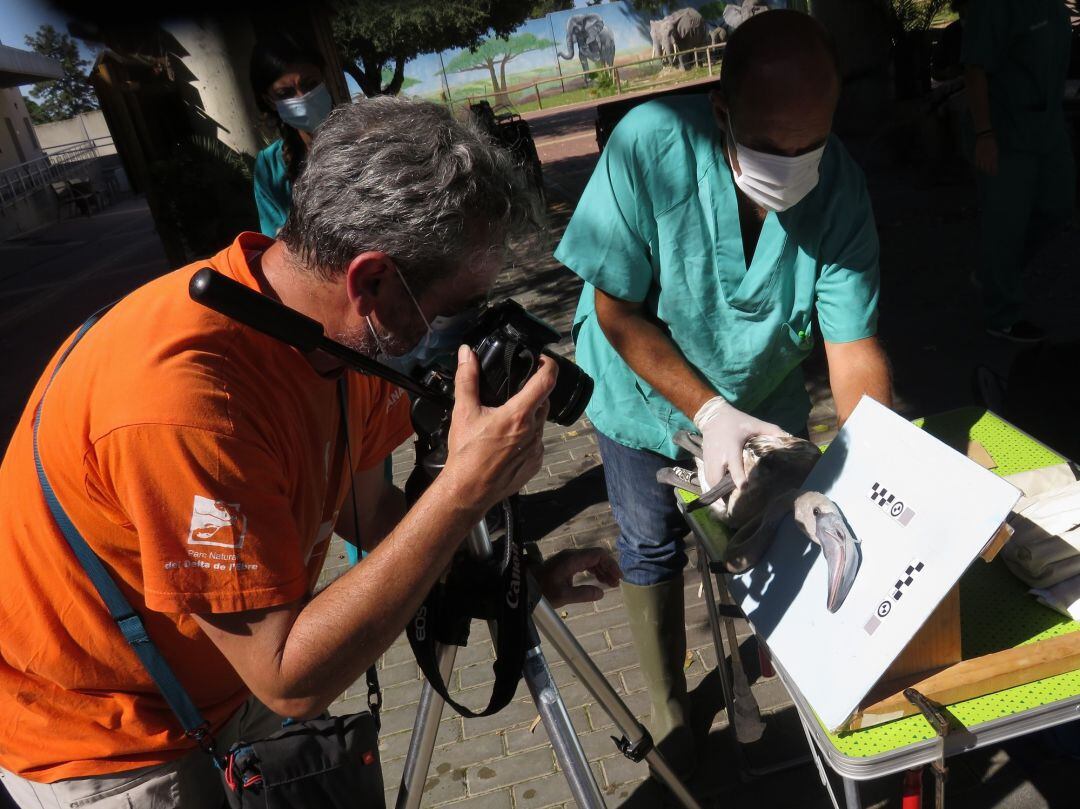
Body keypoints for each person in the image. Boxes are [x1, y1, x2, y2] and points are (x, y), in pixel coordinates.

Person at [0, 97, 620, 808]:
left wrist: (513, 576)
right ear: (372, 282)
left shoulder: (328, 334)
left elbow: (373, 508)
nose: (466, 333)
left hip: (228, 686)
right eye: (457, 308)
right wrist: (463, 491)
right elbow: (290, 676)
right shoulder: (186, 401)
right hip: (109, 741)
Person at [554, 10, 892, 771]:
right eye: (772, 144)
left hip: (760, 392)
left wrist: (877, 461)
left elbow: (854, 346)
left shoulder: (838, 191)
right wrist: (705, 409)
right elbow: (616, 309)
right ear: (721, 113)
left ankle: (790, 666)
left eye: (812, 142)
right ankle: (670, 702)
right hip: (643, 386)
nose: (795, 164)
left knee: (769, 529)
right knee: (650, 537)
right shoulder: (650, 145)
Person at [960, 0, 1074, 342]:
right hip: (1006, 133)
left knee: (1059, 206)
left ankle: (993, 275)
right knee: (1005, 226)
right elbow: (975, 67)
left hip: (1048, 128)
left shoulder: (1053, 5)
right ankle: (1002, 315)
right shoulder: (995, 6)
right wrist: (984, 134)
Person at [249, 31, 334, 237]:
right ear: (270, 101)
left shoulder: (368, 140)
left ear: (325, 79)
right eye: (285, 93)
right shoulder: (270, 167)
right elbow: (278, 242)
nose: (303, 98)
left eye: (310, 85)